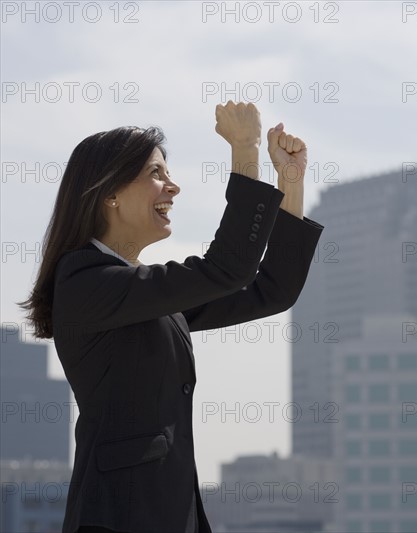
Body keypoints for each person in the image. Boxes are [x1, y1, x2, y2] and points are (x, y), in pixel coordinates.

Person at [17, 101, 324, 533]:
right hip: (118, 519)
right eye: (156, 173)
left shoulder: (138, 294)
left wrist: (289, 184)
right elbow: (227, 268)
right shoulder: (84, 281)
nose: (173, 187)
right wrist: (244, 148)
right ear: (110, 194)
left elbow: (270, 293)